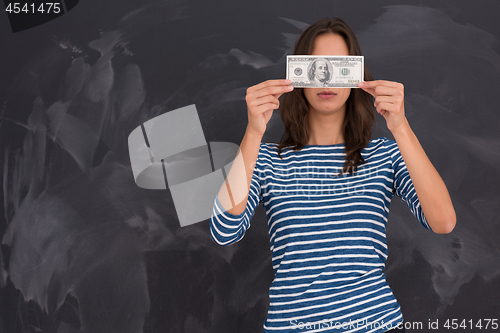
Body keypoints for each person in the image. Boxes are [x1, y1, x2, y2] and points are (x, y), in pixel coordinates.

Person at [210, 17, 456, 333]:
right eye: (315, 66)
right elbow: (223, 231)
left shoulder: (385, 155)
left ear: (355, 75)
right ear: (297, 75)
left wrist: (401, 128)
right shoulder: (267, 160)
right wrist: (253, 132)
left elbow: (443, 221)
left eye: (339, 66)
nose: (326, 79)